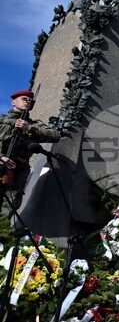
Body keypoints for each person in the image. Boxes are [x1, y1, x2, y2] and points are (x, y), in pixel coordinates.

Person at [0, 90, 60, 223]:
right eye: (23, 98)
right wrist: (1, 157)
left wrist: (30, 128)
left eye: (29, 100)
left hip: (17, 172)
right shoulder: (2, 120)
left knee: (9, 206)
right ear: (13, 102)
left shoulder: (33, 124)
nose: (27, 101)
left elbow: (55, 136)